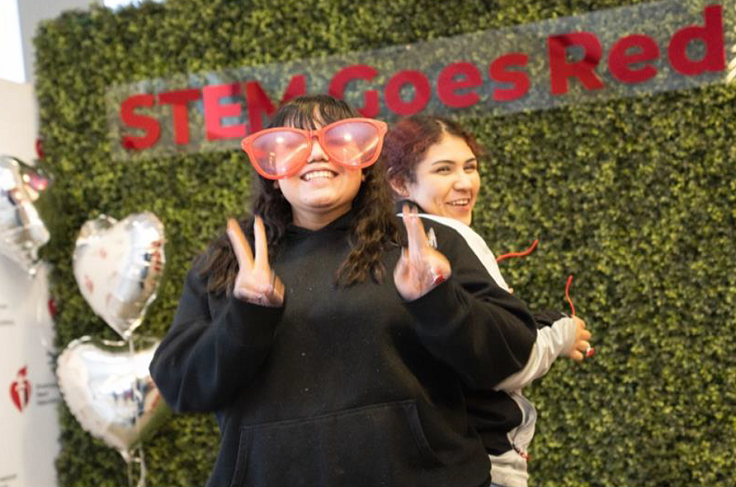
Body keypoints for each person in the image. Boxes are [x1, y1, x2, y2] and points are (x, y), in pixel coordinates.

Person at [149, 95, 544, 487]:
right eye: (294, 144)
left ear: (364, 158)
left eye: (337, 140)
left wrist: (438, 301)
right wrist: (246, 314)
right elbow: (181, 386)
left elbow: (511, 354)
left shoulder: (423, 241)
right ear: (272, 165)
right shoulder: (232, 263)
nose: (318, 155)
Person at [381, 114, 593, 487]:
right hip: (479, 460)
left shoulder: (371, 241)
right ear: (399, 182)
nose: (465, 182)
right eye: (444, 170)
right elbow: (504, 361)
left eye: (470, 167)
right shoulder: (448, 234)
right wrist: (561, 332)